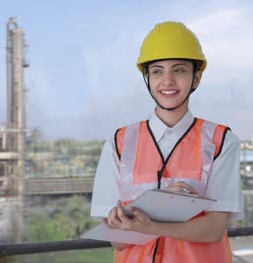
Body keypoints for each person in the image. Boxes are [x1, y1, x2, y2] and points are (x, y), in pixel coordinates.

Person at [91, 21, 244, 263]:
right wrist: (161, 199)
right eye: (157, 71)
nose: (168, 80)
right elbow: (117, 240)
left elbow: (214, 229)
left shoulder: (220, 141)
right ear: (147, 78)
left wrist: (150, 225)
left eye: (180, 70)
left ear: (196, 78)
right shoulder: (119, 143)